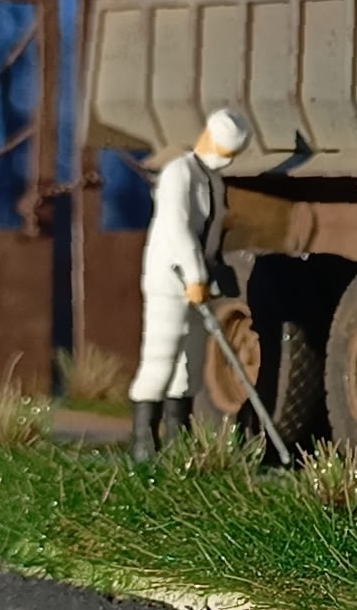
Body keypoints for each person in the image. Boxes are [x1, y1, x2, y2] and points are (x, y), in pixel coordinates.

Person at [127, 107, 251, 460]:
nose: (226, 160)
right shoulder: (178, 173)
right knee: (161, 358)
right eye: (225, 151)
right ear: (208, 137)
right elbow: (177, 230)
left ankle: (178, 438)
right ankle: (143, 442)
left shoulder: (212, 180)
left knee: (190, 364)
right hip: (171, 281)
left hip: (199, 284)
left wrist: (210, 273)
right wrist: (195, 276)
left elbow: (209, 233)